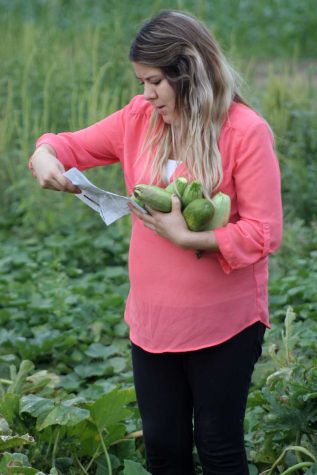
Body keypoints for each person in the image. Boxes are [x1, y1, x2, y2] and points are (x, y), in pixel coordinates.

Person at [29, 10, 283, 475]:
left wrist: (191, 237)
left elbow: (265, 232)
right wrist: (44, 155)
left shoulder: (245, 131)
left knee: (218, 444)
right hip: (153, 322)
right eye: (142, 81)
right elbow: (68, 145)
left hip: (224, 323)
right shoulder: (138, 119)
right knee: (163, 448)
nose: (146, 93)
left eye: (155, 82)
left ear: (188, 74)